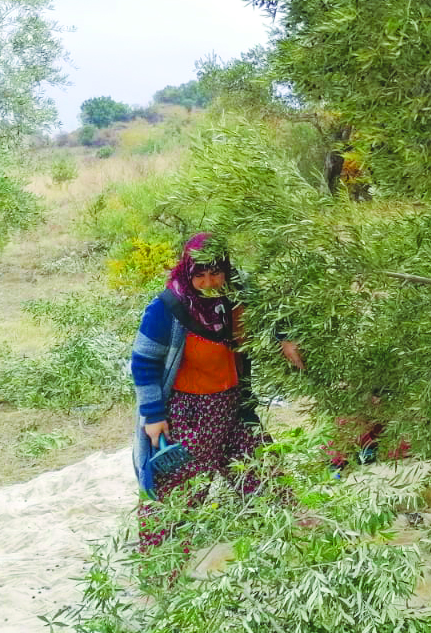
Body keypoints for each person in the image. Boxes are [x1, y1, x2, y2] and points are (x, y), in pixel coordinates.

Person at [129, 233, 304, 548]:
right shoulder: (168, 308)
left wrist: (285, 337)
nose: (210, 282)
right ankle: (160, 568)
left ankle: (282, 544)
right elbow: (143, 362)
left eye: (216, 273)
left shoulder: (238, 292)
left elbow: (269, 308)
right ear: (188, 272)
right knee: (181, 490)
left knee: (262, 473)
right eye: (201, 275)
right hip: (191, 414)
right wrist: (153, 415)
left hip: (235, 405)